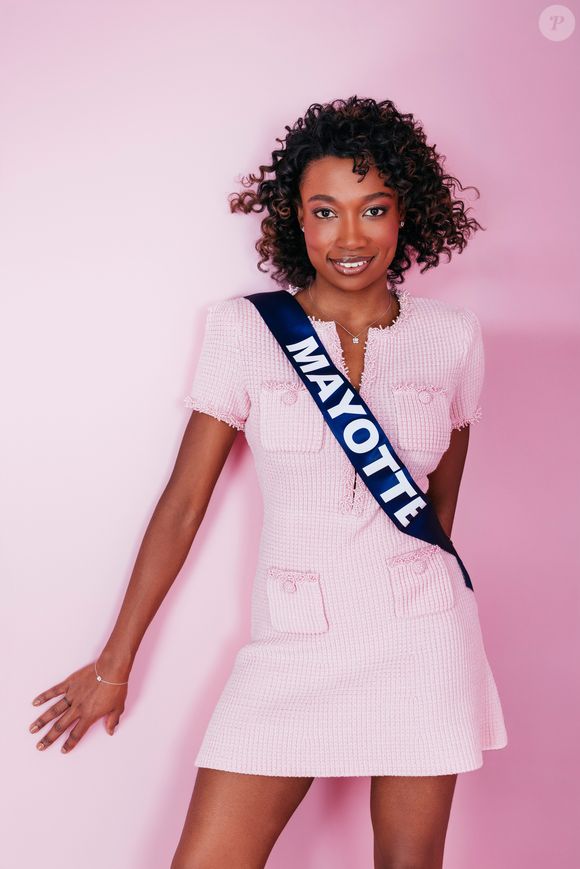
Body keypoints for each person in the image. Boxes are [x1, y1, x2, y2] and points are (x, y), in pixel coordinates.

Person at [28, 96, 508, 869]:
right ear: (297, 219)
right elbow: (183, 506)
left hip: (420, 643)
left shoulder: (452, 338)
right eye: (326, 212)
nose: (350, 237)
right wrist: (115, 663)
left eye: (373, 209)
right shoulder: (245, 330)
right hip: (293, 642)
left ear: (404, 214)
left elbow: (437, 510)